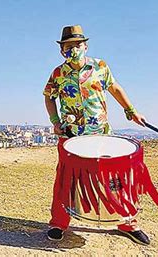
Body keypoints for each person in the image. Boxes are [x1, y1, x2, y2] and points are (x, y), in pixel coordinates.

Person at [43, 25, 152, 245]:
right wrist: (55, 122)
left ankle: (127, 222)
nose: (73, 49)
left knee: (114, 180)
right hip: (71, 137)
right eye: (68, 46)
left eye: (76, 45)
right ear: (61, 50)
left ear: (85, 46)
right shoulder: (57, 73)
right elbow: (48, 96)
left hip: (101, 134)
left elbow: (114, 88)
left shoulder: (100, 66)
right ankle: (58, 223)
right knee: (66, 181)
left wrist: (131, 110)